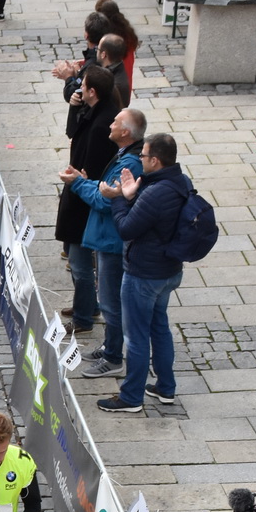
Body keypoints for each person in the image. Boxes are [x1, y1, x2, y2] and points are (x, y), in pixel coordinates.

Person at [96, 132, 190, 415]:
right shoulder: (179, 181)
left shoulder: (155, 194)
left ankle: (131, 396)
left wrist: (118, 199)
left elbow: (126, 228)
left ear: (156, 161)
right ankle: (165, 387)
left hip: (144, 275)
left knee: (136, 337)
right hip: (168, 271)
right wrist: (133, 194)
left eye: (144, 155)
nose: (140, 159)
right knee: (159, 327)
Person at [69, 107, 144, 381]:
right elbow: (104, 188)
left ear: (125, 132)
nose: (110, 123)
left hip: (112, 242)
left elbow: (105, 200)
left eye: (115, 121)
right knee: (109, 299)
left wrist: (78, 184)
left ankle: (114, 358)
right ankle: (109, 347)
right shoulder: (127, 154)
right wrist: (89, 183)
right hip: (107, 239)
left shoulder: (131, 163)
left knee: (111, 303)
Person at [55, 66, 118, 340]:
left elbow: (92, 172)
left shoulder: (103, 124)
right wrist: (73, 106)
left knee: (80, 264)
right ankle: (89, 306)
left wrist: (77, 181)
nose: (79, 88)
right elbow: (72, 131)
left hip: (83, 201)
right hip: (77, 192)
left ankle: (83, 318)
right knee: (76, 255)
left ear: (93, 92)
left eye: (83, 85)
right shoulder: (92, 110)